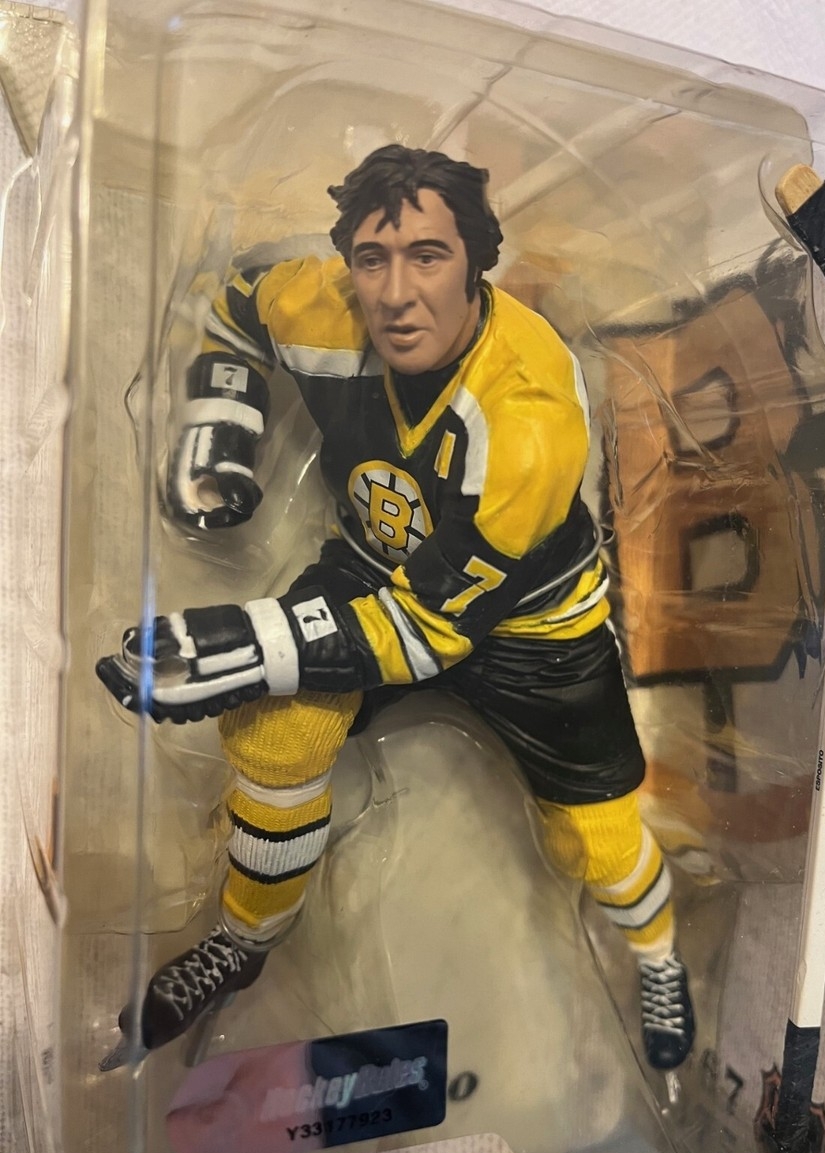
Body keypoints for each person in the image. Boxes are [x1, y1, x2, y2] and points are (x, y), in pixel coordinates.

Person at [97, 144, 694, 1072]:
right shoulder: (327, 306)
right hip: (378, 570)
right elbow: (232, 307)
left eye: (428, 256)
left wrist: (258, 643)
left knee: (598, 836)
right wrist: (224, 420)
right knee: (276, 737)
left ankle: (658, 956)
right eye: (373, 259)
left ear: (477, 260)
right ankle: (247, 940)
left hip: (531, 625)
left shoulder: (529, 411)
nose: (396, 293)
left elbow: (431, 629)